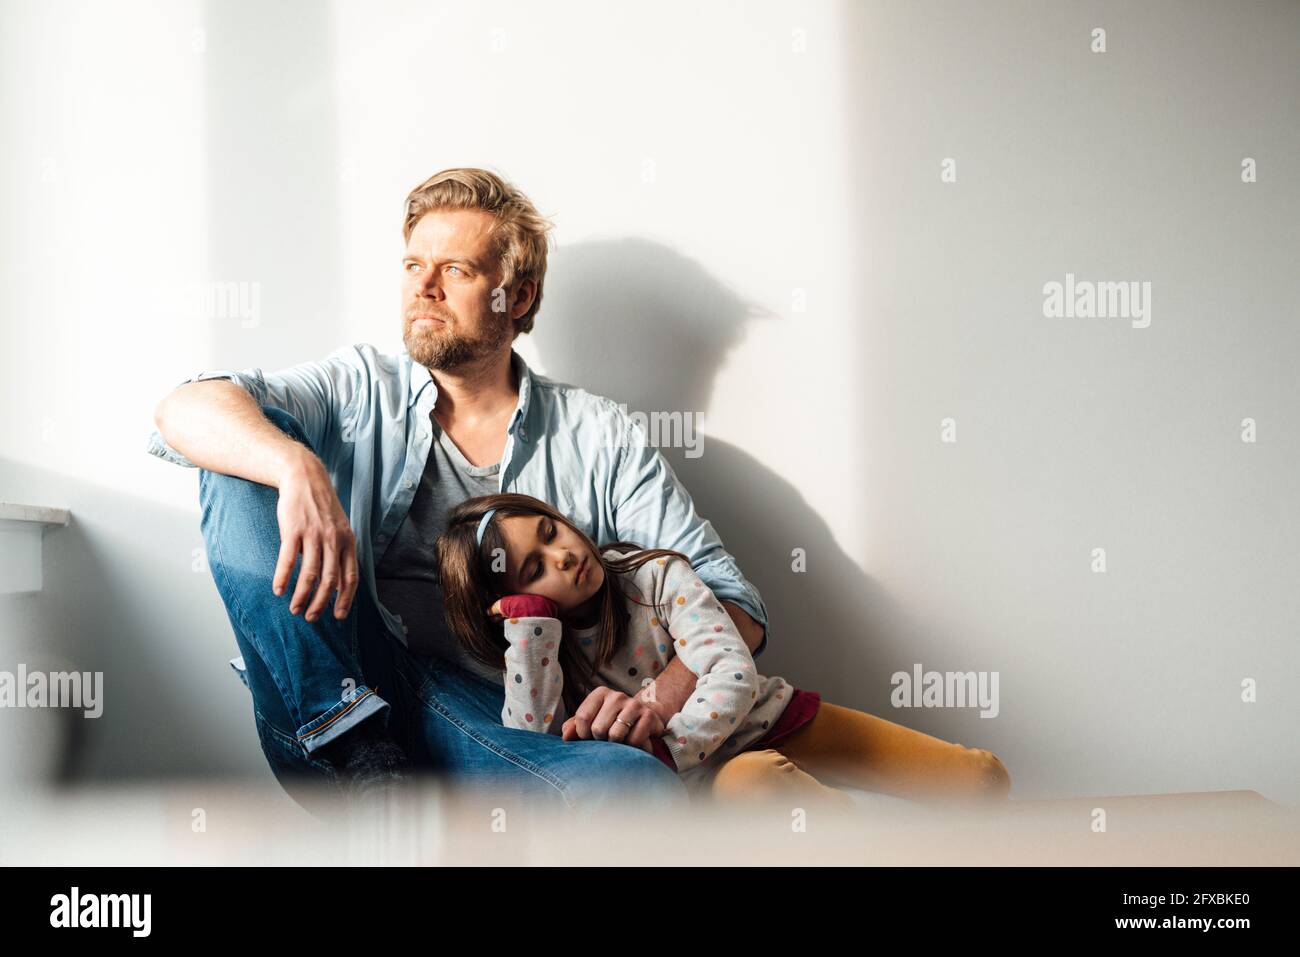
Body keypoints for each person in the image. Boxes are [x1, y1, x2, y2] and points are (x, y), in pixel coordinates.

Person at [147, 167, 769, 817]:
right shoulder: (361, 386)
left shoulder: (598, 434)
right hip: (329, 701)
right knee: (238, 457)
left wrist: (654, 704)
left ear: (518, 297)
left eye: (457, 270)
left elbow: (736, 606)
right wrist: (295, 465)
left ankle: (395, 806)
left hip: (489, 724)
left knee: (637, 785)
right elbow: (182, 410)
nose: (424, 286)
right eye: (414, 263)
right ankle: (358, 744)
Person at [435, 492, 1013, 809]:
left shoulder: (655, 578)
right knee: (758, 785)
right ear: (507, 607)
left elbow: (732, 669)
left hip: (773, 720)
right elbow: (534, 750)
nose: (561, 555)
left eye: (550, 532)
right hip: (714, 781)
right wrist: (531, 633)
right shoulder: (544, 654)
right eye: (535, 569)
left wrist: (667, 748)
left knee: (977, 780)